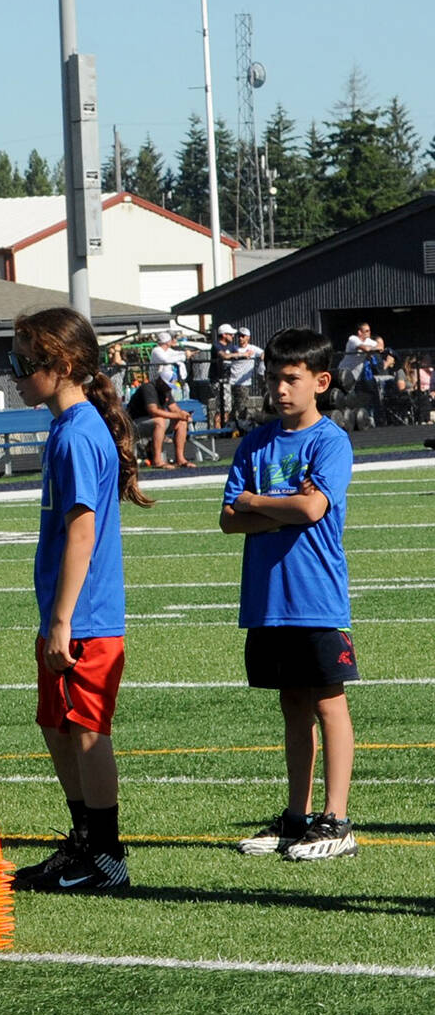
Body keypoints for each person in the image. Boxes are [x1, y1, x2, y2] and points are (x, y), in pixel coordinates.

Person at [6, 307, 155, 893]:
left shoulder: (78, 432)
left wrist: (63, 619)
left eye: (24, 362)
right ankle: (86, 840)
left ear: (61, 365)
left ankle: (107, 854)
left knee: (87, 728)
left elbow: (82, 532)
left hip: (84, 616)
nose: (16, 372)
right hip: (66, 615)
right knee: (57, 725)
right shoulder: (68, 427)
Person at [220, 328, 359, 861]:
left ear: (320, 382)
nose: (279, 389)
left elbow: (312, 510)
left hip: (315, 596)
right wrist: (273, 505)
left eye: (291, 379)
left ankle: (337, 819)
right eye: (274, 378)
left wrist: (258, 501)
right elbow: (229, 521)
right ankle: (297, 817)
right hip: (268, 599)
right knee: (292, 705)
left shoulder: (330, 441)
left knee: (329, 702)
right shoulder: (255, 443)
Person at [126, 369, 194, 469]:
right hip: (134, 424)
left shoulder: (166, 390)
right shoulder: (148, 388)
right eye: (168, 386)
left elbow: (174, 408)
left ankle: (180, 459)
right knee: (160, 421)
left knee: (181, 422)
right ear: (161, 381)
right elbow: (153, 411)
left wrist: (183, 415)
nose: (169, 389)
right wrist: (178, 415)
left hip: (150, 423)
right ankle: (157, 460)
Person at [227, 326, 265, 429]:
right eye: (239, 336)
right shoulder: (234, 349)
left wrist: (262, 356)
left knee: (242, 406)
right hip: (232, 381)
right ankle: (233, 426)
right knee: (231, 407)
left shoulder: (252, 348)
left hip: (244, 383)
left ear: (248, 337)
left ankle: (241, 427)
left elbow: (263, 353)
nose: (240, 338)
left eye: (243, 336)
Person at [337, 321, 384, 386]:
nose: (369, 332)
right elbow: (366, 349)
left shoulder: (368, 341)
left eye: (369, 330)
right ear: (360, 332)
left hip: (356, 375)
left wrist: (372, 348)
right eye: (367, 331)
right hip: (344, 372)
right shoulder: (353, 339)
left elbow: (381, 347)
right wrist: (372, 348)